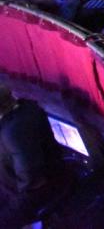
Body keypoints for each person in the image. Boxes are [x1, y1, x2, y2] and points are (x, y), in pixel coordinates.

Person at [0, 85, 60, 226]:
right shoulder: (21, 110)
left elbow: (31, 186)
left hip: (39, 193)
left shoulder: (13, 132)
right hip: (16, 186)